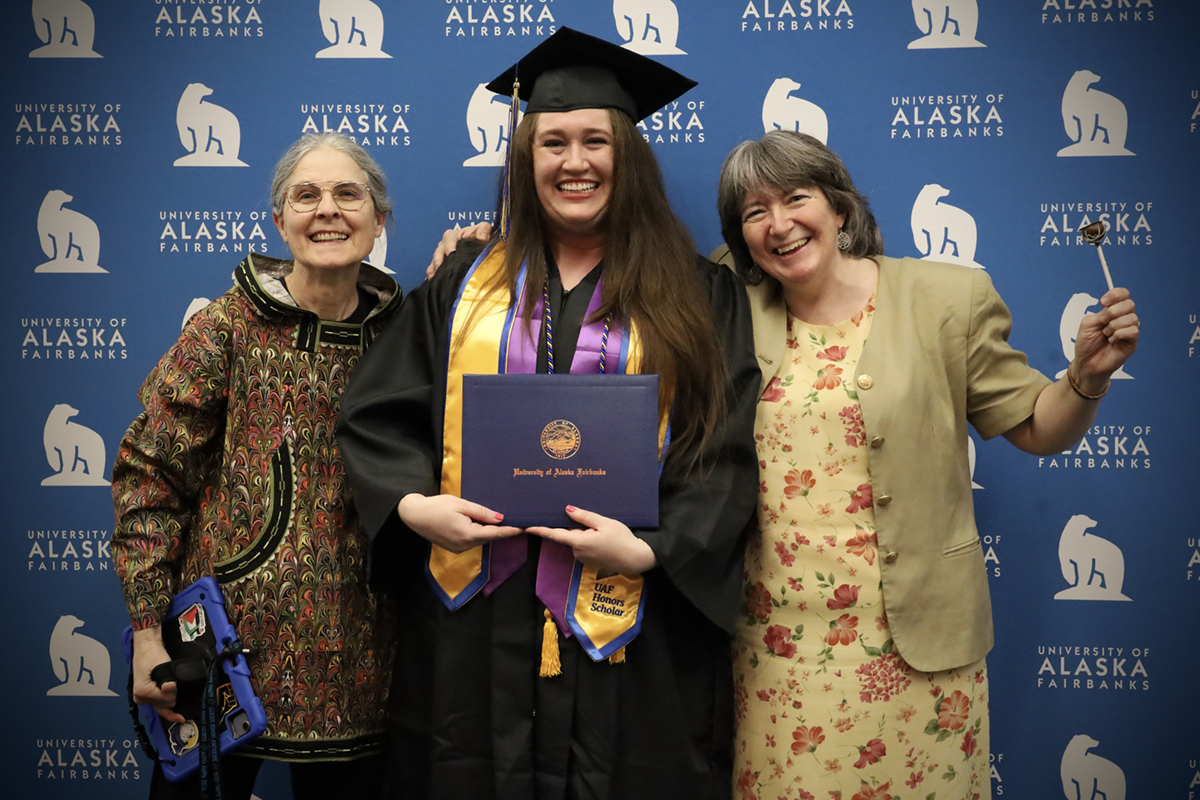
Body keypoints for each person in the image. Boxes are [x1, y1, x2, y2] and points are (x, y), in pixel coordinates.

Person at [336, 27, 760, 800]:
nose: (575, 162)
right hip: (475, 616)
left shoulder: (699, 293)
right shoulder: (464, 285)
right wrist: (416, 507)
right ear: (524, 161)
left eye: (596, 140)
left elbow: (723, 448)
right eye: (553, 142)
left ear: (627, 156)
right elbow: (380, 413)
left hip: (631, 620)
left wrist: (654, 550)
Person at [716, 131, 1138, 800]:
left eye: (796, 198)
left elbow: (1034, 425)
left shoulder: (947, 298)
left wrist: (1085, 377)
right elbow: (629, 280)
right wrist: (490, 255)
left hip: (921, 648)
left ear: (840, 209)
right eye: (753, 211)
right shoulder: (727, 306)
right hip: (780, 652)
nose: (779, 224)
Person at [111, 132, 402, 799]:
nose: (327, 210)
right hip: (221, 649)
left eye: (348, 194)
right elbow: (147, 479)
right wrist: (150, 636)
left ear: (379, 219)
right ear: (279, 221)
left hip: (360, 657)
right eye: (307, 195)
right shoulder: (225, 328)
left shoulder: (403, 333)